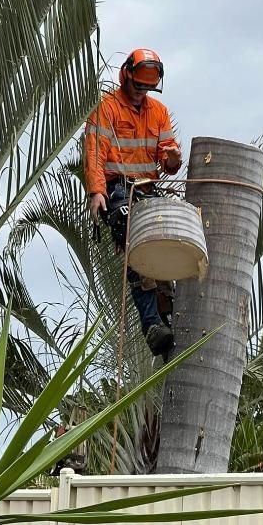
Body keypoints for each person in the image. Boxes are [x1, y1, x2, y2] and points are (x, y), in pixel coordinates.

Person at [84, 48, 182, 356]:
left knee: (166, 244)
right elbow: (95, 153)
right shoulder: (107, 109)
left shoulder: (158, 112)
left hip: (147, 188)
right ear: (126, 76)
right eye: (138, 85)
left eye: (147, 87)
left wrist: (172, 158)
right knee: (136, 245)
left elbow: (168, 160)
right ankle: (152, 325)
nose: (141, 91)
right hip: (118, 188)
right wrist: (97, 191)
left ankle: (167, 314)